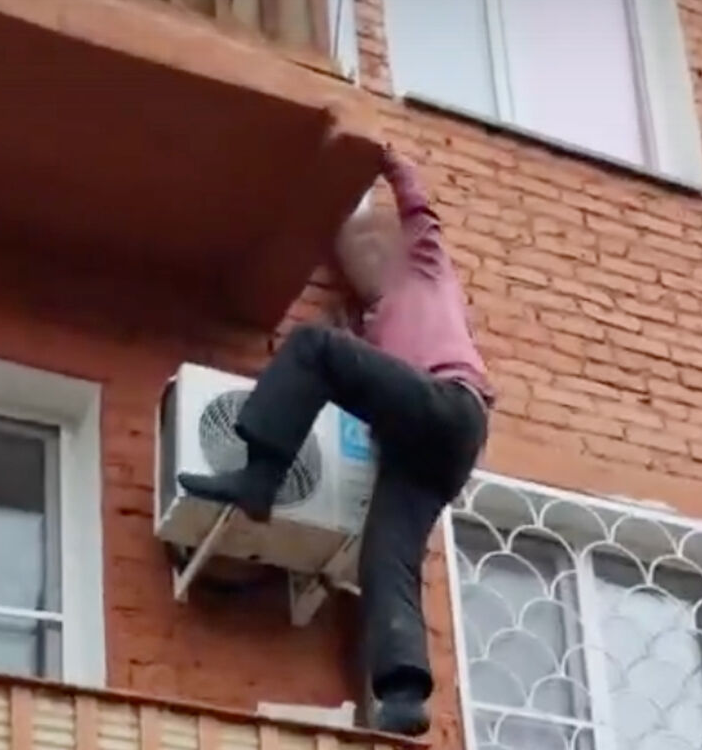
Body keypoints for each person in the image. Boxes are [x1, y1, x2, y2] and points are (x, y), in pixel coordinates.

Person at [179, 147, 492, 737]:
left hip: (450, 405)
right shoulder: (370, 327)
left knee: (314, 347)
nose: (365, 261)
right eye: (354, 255)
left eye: (373, 249)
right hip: (421, 452)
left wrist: (381, 157)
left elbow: (419, 207)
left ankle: (260, 479)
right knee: (385, 558)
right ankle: (403, 694)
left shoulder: (427, 267)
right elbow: (356, 378)